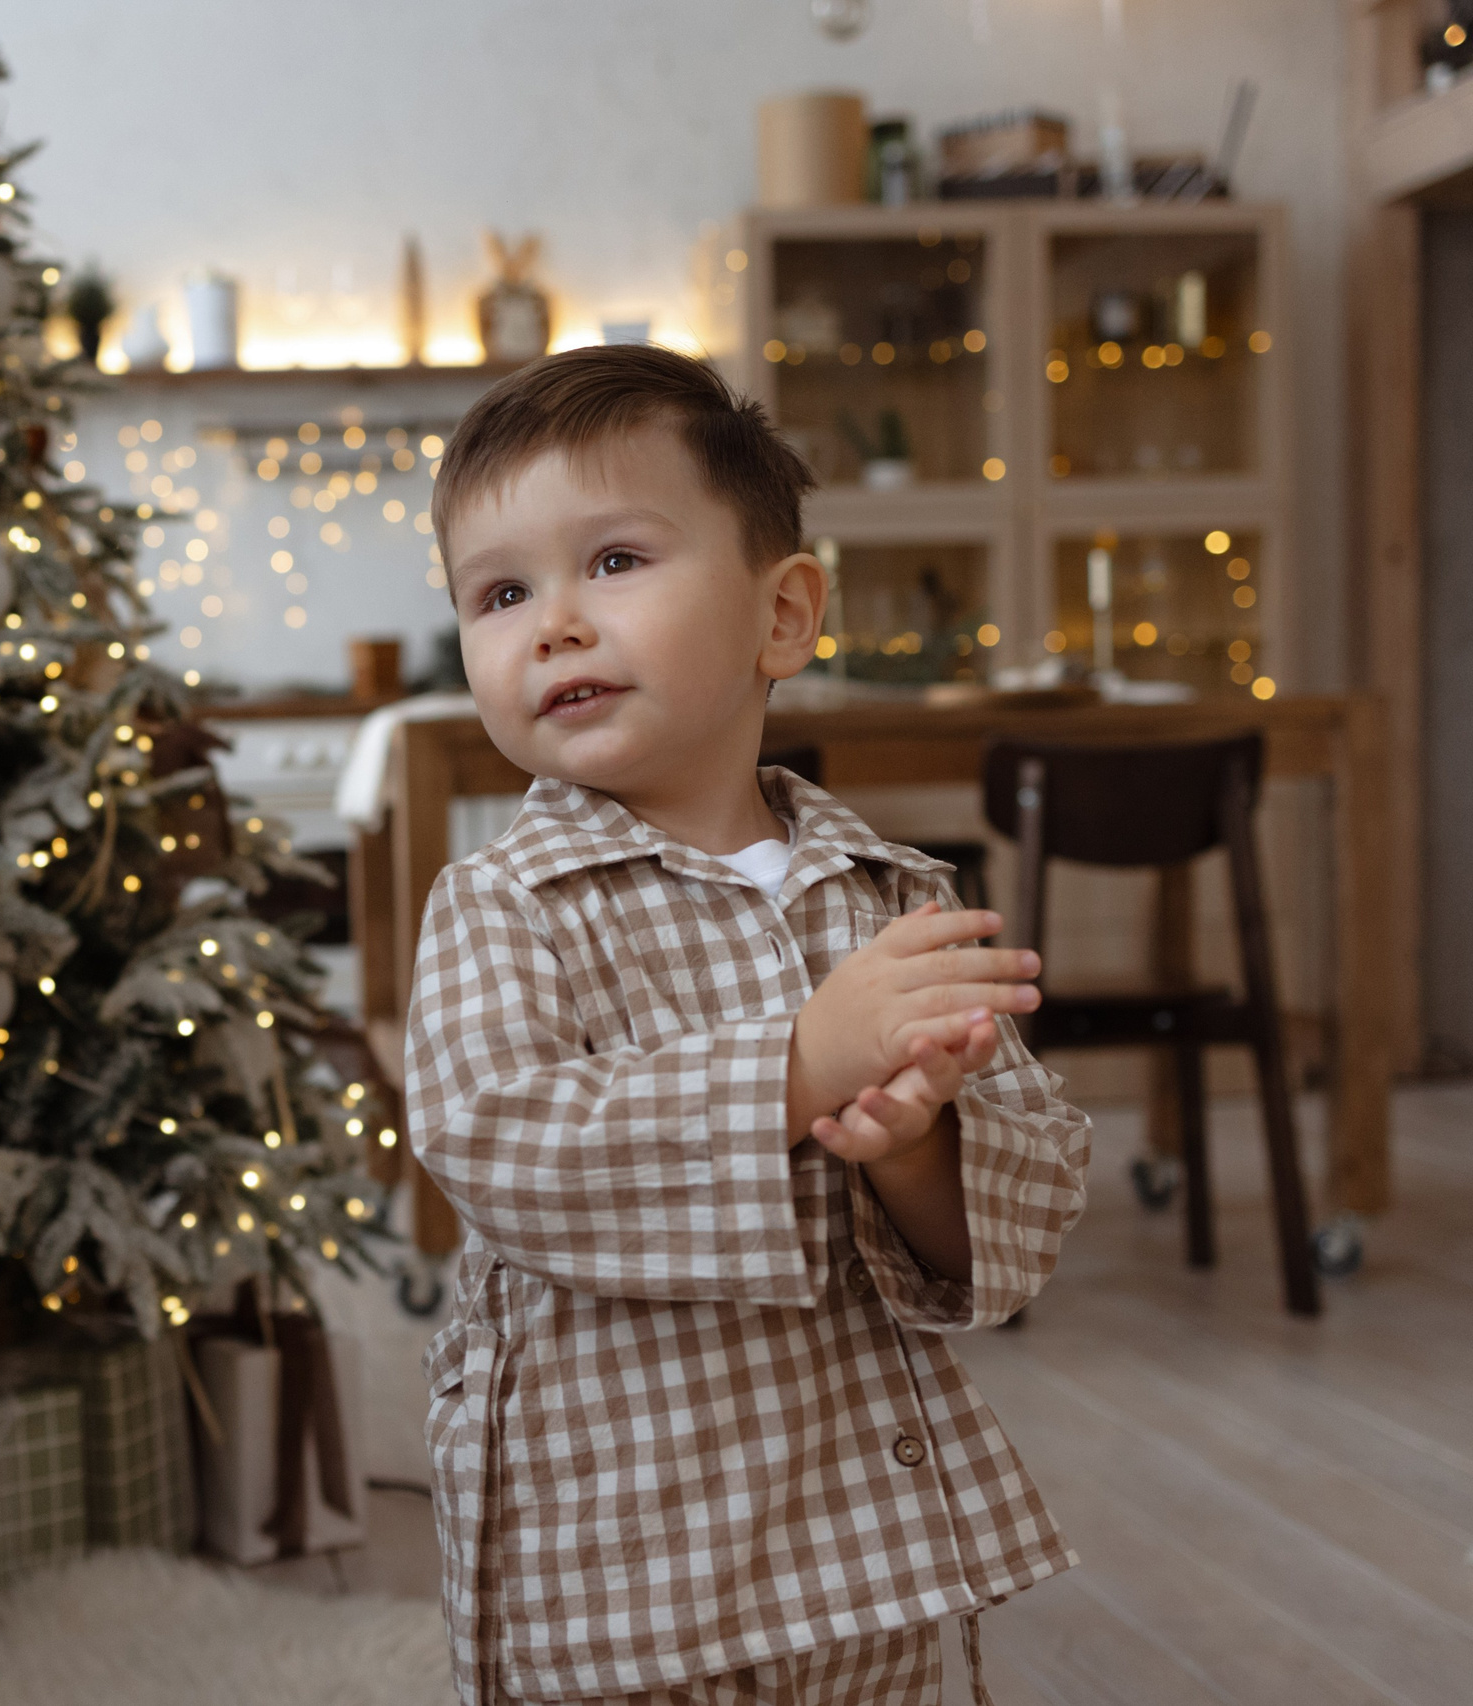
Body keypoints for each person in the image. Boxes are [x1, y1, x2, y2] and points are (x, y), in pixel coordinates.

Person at [404, 345, 1090, 1706]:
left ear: (783, 616)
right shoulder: (501, 903)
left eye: (613, 561)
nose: (553, 624)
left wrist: (914, 1149)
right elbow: (499, 1143)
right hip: (617, 1563)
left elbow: (1031, 1192)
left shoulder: (897, 899)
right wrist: (803, 1064)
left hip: (866, 1543)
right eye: (500, 592)